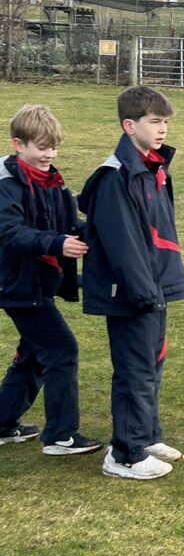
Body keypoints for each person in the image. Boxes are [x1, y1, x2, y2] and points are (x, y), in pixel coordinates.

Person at [79, 87, 184, 481]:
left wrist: (165, 287)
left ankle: (146, 435)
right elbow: (124, 244)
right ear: (130, 126)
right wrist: (146, 293)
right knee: (134, 370)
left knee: (153, 365)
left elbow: (158, 233)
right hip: (133, 294)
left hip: (154, 290)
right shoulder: (116, 178)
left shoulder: (153, 169)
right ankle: (125, 454)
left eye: (165, 122)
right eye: (155, 122)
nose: (162, 129)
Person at [0, 104, 101, 456]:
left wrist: (101, 232)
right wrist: (56, 243)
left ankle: (3, 422)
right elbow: (11, 232)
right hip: (17, 286)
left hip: (39, 284)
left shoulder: (54, 182)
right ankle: (60, 436)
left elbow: (68, 223)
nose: (49, 154)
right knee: (61, 349)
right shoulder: (6, 184)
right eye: (42, 147)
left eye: (54, 146)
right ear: (18, 144)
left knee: (33, 353)